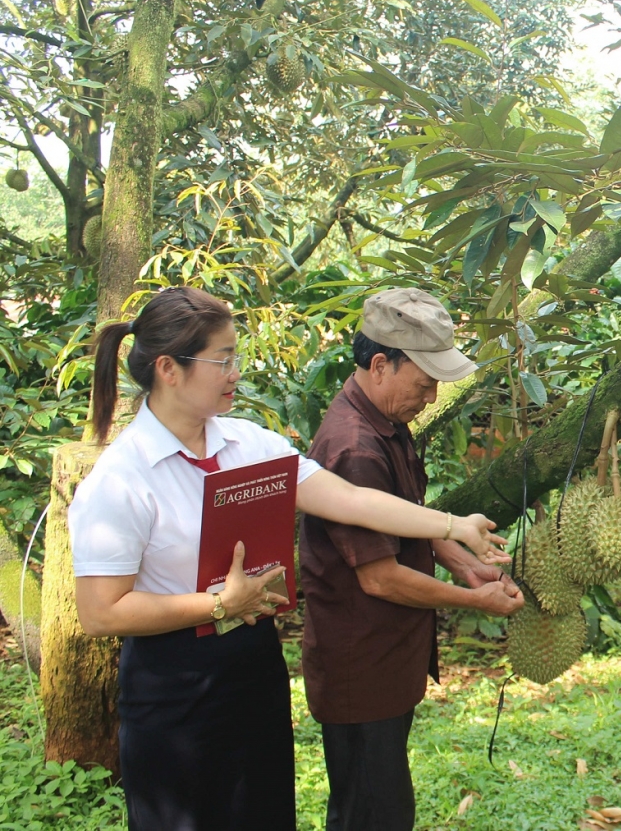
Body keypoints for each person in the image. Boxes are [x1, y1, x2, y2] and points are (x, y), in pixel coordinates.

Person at [69, 286, 510, 831]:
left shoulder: (248, 446)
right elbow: (101, 613)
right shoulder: (120, 481)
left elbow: (351, 499)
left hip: (253, 665)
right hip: (173, 682)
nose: (235, 372)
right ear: (169, 369)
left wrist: (450, 526)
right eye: (222, 359)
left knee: (263, 811)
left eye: (237, 356)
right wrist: (215, 605)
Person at [299, 288, 525, 831]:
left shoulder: (386, 422)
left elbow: (401, 516)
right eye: (423, 385)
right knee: (372, 814)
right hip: (361, 666)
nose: (428, 398)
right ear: (380, 365)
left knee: (381, 805)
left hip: (388, 656)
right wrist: (473, 599)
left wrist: (461, 562)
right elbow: (380, 578)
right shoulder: (354, 448)